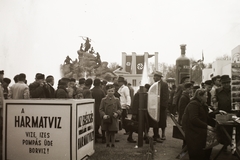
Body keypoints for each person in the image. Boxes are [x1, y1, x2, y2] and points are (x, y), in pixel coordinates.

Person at [182, 89, 214, 160]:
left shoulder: (201, 104)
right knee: (210, 135)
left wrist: (217, 112)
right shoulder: (194, 104)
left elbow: (206, 116)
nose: (207, 97)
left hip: (196, 128)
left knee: (212, 134)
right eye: (206, 95)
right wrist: (207, 126)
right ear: (200, 96)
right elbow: (194, 119)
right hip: (193, 130)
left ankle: (206, 156)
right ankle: (204, 155)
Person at [151, 71, 169, 143]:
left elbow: (165, 95)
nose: (154, 78)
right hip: (155, 106)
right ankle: (156, 134)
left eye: (155, 76)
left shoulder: (164, 84)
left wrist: (163, 105)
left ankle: (163, 134)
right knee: (155, 120)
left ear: (159, 77)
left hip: (161, 106)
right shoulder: (153, 84)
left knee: (162, 121)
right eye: (154, 76)